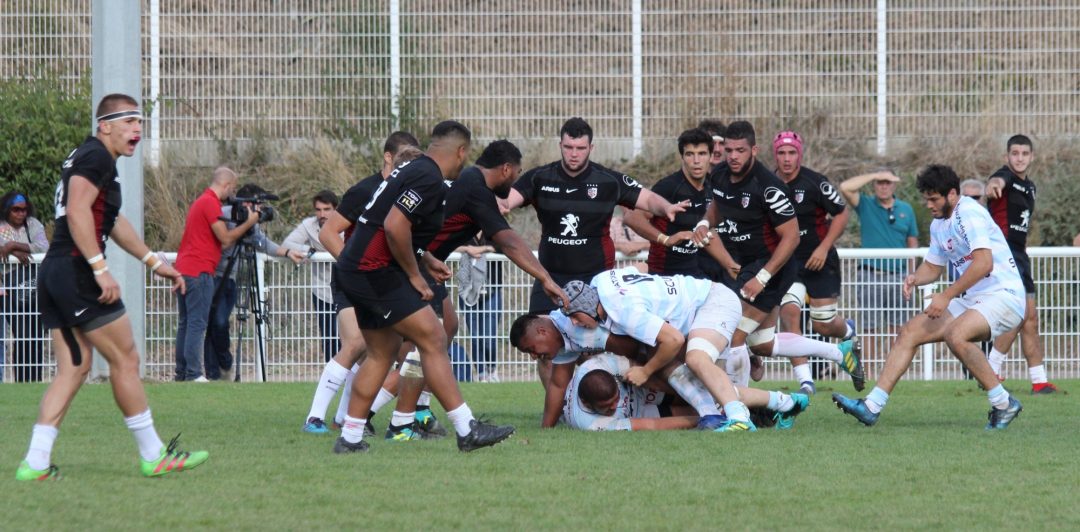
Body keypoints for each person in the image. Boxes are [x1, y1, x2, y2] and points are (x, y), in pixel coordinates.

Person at [16, 93, 207, 481]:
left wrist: (156, 263)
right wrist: (100, 269)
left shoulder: (91, 158)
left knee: (73, 367)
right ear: (105, 126)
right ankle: (153, 454)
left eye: (140, 122)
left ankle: (35, 462)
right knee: (127, 360)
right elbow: (77, 210)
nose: (137, 129)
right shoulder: (97, 156)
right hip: (75, 272)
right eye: (128, 121)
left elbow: (112, 221)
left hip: (56, 271)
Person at [332, 120, 515, 454]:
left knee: (381, 352)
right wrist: (415, 275)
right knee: (434, 337)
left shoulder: (414, 168)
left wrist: (425, 258)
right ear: (461, 152)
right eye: (467, 154)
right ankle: (466, 428)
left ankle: (350, 436)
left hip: (356, 269)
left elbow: (389, 223)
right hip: (373, 271)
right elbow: (393, 225)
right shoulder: (429, 177)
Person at [380, 139, 569, 441]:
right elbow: (508, 242)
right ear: (506, 168)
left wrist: (430, 257)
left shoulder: (470, 183)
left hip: (422, 263)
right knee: (422, 345)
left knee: (443, 330)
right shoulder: (475, 189)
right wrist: (545, 278)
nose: (516, 179)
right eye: (517, 172)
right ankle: (402, 422)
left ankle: (389, 415)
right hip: (409, 267)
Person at [833, 164, 1026, 429]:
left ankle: (1003, 403)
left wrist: (946, 296)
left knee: (956, 334)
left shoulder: (969, 213)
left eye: (934, 199)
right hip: (976, 298)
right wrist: (915, 277)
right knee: (909, 332)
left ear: (952, 195)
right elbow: (934, 267)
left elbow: (984, 264)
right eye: (926, 198)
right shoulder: (939, 224)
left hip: (1005, 296)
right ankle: (871, 406)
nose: (929, 205)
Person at [500, 117, 686, 388]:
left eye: (580, 148)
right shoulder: (540, 177)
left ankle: (589, 400)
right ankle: (560, 406)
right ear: (560, 145)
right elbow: (508, 201)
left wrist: (666, 207)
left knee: (593, 348)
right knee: (545, 348)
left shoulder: (607, 180)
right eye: (568, 147)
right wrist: (499, 204)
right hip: (551, 277)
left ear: (591, 148)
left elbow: (645, 198)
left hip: (594, 280)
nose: (573, 154)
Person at [691, 121, 864, 390]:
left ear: (754, 150)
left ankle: (736, 407)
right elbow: (719, 204)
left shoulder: (769, 187)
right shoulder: (720, 174)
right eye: (729, 150)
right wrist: (704, 223)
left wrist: (762, 277)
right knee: (762, 344)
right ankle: (839, 354)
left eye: (740, 150)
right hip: (749, 265)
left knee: (734, 336)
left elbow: (792, 237)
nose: (733, 156)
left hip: (772, 268)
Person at [302, 131, 421, 434]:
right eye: (403, 158)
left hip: (380, 283)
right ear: (388, 157)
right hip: (353, 280)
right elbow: (329, 233)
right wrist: (355, 268)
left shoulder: (405, 193)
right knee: (355, 343)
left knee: (377, 351)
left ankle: (346, 417)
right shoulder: (365, 190)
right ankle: (314, 417)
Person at [560, 268, 758, 432]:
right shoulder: (599, 282)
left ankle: (740, 419)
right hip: (705, 301)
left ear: (588, 306)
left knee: (697, 360)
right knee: (714, 388)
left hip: (711, 302)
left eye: (576, 316)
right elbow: (640, 267)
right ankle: (776, 406)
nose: (575, 323)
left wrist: (645, 372)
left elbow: (674, 340)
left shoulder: (623, 311)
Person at [772, 131, 856, 395]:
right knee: (789, 312)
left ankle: (848, 331)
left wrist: (823, 247)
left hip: (820, 260)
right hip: (789, 262)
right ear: (775, 155)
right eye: (782, 153)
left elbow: (841, 214)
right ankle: (805, 380)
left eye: (792, 153)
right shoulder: (766, 183)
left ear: (800, 154)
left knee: (822, 324)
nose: (787, 159)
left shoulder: (815, 182)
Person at [206, 183, 305, 380]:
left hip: (230, 280)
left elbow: (261, 242)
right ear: (246, 203)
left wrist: (286, 252)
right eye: (258, 205)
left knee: (219, 322)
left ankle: (219, 369)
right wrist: (246, 224)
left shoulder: (252, 221)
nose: (260, 210)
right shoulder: (224, 214)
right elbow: (223, 241)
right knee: (215, 323)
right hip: (213, 276)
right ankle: (217, 369)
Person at [566, 353, 809, 432]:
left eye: (614, 400)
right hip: (642, 409)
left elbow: (640, 368)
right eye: (607, 406)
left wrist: (686, 391)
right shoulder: (589, 422)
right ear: (587, 403)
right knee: (694, 409)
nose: (613, 407)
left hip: (646, 385)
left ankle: (784, 401)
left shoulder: (599, 365)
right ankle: (755, 414)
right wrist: (701, 418)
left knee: (709, 393)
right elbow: (649, 424)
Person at [984, 135, 1058, 394]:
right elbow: (996, 181)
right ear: (1007, 157)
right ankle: (991, 368)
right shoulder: (1005, 176)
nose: (1019, 158)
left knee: (1030, 320)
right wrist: (992, 186)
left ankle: (1039, 381)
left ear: (1032, 157)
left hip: (1020, 256)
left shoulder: (1031, 187)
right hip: (1003, 256)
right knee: (1020, 314)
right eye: (1014, 153)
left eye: (1024, 153)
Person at [173, 166, 259, 382]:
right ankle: (193, 373)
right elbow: (226, 239)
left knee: (185, 322)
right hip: (199, 270)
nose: (233, 193)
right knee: (196, 323)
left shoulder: (201, 201)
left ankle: (182, 372)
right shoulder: (210, 203)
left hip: (185, 268)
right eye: (234, 188)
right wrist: (249, 223)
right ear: (227, 185)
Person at [838, 169, 920, 348]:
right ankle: (870, 372)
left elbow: (912, 243)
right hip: (870, 275)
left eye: (887, 182)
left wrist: (912, 275)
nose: (883, 186)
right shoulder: (866, 204)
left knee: (899, 328)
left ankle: (894, 372)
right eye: (879, 182)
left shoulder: (906, 209)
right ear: (874, 184)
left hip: (899, 276)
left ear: (894, 184)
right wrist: (873, 175)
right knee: (869, 328)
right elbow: (845, 187)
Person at [623, 128, 714, 279]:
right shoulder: (669, 187)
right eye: (690, 154)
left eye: (702, 154)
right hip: (663, 277)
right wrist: (665, 239)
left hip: (697, 276)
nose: (696, 161)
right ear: (682, 157)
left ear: (710, 156)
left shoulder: (712, 186)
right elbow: (631, 217)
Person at [282, 190, 340, 363]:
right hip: (322, 290)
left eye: (327, 209)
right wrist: (312, 252)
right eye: (318, 209)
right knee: (329, 337)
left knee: (351, 337)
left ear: (336, 209)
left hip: (348, 288)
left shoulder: (346, 223)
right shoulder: (309, 224)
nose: (322, 214)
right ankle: (332, 377)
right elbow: (287, 243)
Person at [0, 192, 50, 382]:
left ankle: (34, 380)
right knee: (20, 334)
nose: (21, 214)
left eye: (24, 209)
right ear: (7, 210)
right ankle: (21, 380)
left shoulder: (33, 224)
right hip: (9, 289)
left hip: (33, 286)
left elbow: (44, 247)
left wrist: (13, 245)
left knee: (35, 335)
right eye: (16, 210)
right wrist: (19, 249)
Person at [455, 234, 503, 382]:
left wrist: (484, 248)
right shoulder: (463, 229)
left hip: (492, 291)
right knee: (475, 336)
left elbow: (504, 247)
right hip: (468, 292)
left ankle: (492, 370)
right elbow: (448, 245)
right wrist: (467, 249)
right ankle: (481, 373)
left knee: (489, 336)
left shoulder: (494, 229)